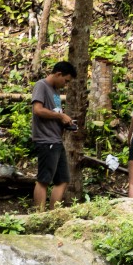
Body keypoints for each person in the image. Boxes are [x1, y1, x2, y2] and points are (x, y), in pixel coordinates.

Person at [30, 59, 77, 210]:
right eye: (66, 80)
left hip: (56, 139)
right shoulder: (41, 85)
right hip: (45, 140)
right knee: (43, 180)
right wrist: (60, 117)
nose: (66, 84)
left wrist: (65, 121)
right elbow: (37, 110)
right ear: (58, 74)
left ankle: (53, 214)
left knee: (63, 179)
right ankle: (38, 217)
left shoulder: (56, 92)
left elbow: (55, 112)